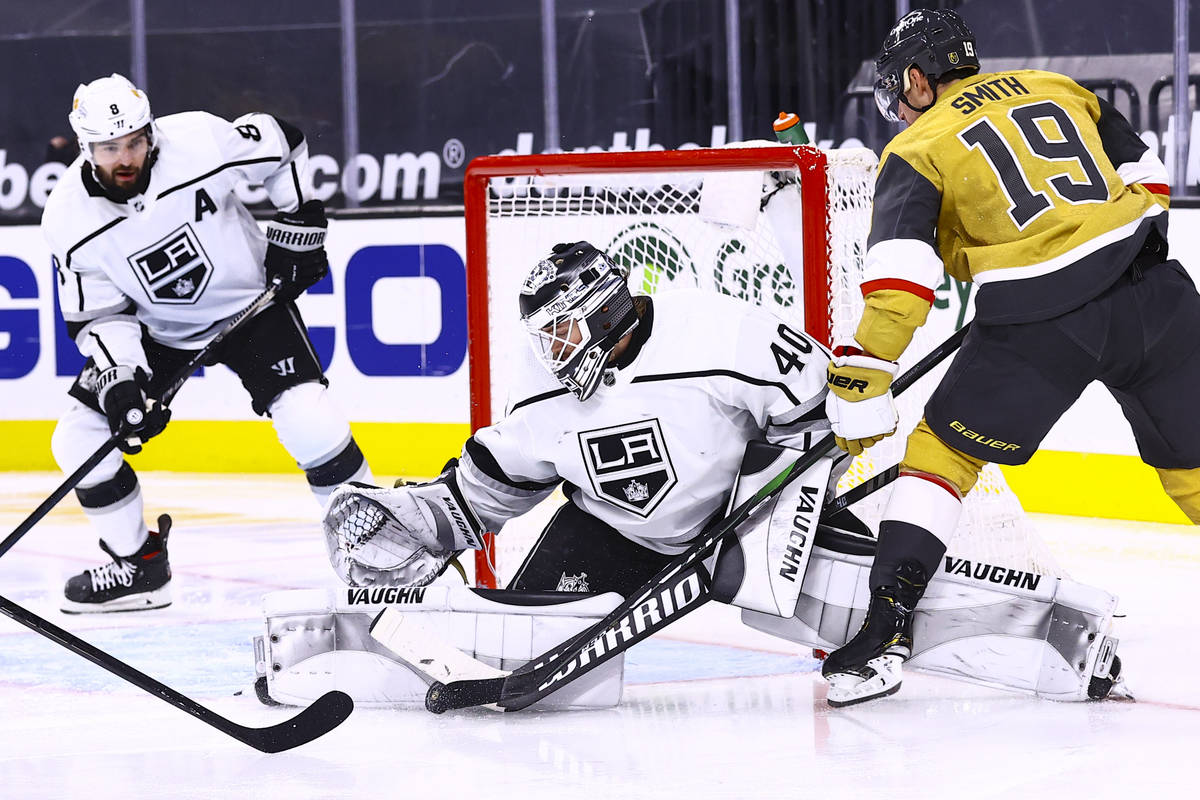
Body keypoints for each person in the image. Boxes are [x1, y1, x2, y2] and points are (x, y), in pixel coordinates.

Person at [820, 9, 1198, 705]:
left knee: (942, 453)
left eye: (899, 94)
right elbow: (1150, 177)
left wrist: (861, 377)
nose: (899, 109)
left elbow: (902, 282)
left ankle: (887, 627)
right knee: (1194, 472)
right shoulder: (1060, 86)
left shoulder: (919, 144)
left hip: (1040, 322)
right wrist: (1107, 247)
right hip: (1156, 296)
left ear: (916, 79)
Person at [321, 240, 847, 596]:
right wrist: (428, 514)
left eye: (561, 331)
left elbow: (818, 413)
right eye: (544, 337)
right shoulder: (543, 383)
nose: (553, 353)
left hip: (748, 525)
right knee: (521, 651)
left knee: (861, 613)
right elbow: (507, 470)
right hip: (612, 531)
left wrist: (771, 516)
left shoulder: (720, 330)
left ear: (605, 310)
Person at [42, 73, 374, 614]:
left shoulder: (195, 141)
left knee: (312, 422)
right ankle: (139, 567)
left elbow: (280, 141)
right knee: (77, 440)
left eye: (134, 142)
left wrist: (298, 219)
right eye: (109, 148)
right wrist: (122, 383)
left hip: (251, 308)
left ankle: (376, 553)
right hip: (157, 331)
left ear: (150, 132)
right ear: (86, 147)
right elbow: (101, 315)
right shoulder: (67, 218)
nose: (126, 158)